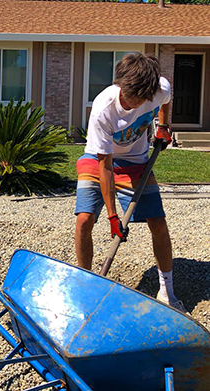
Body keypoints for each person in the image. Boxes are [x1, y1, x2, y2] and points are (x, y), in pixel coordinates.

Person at [74, 53, 187, 313]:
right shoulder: (104, 108)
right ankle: (85, 284)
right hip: (98, 158)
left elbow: (166, 101)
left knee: (158, 222)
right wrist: (113, 217)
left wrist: (163, 126)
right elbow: (105, 166)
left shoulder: (160, 89)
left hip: (136, 161)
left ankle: (167, 290)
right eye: (125, 93)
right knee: (83, 218)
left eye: (135, 98)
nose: (128, 100)